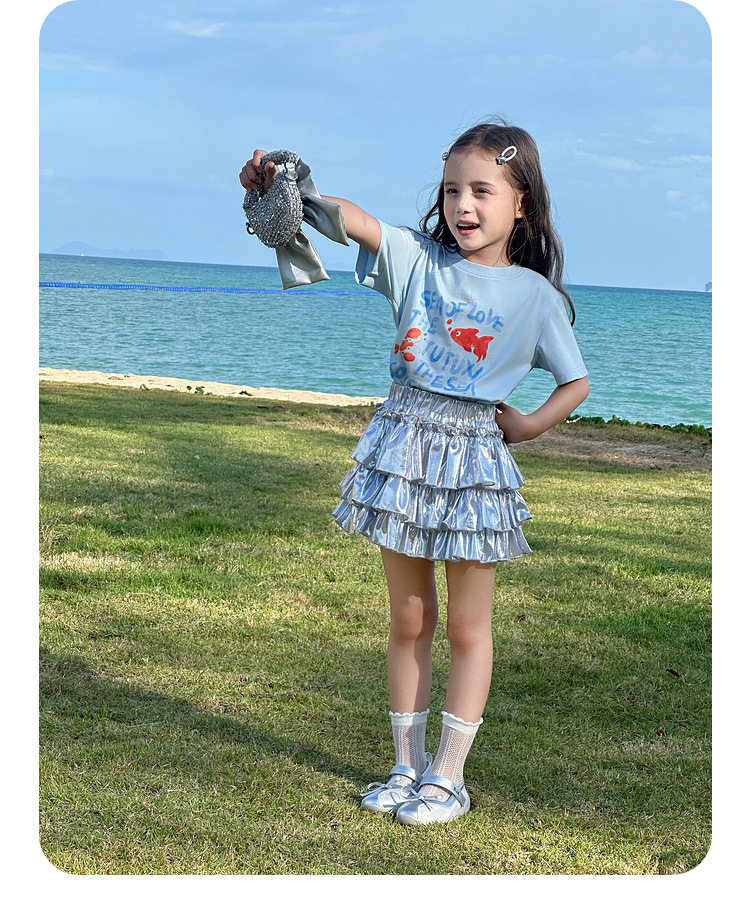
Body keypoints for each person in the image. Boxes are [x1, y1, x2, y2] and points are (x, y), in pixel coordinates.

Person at [239, 121, 590, 825]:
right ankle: (406, 766)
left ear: (522, 202)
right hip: (402, 450)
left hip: (474, 467)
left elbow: (574, 382)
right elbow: (355, 221)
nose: (464, 204)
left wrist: (525, 426)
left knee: (467, 627)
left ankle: (448, 778)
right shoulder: (420, 261)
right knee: (409, 616)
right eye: (453, 189)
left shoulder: (536, 297)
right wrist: (285, 183)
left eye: (482, 190)